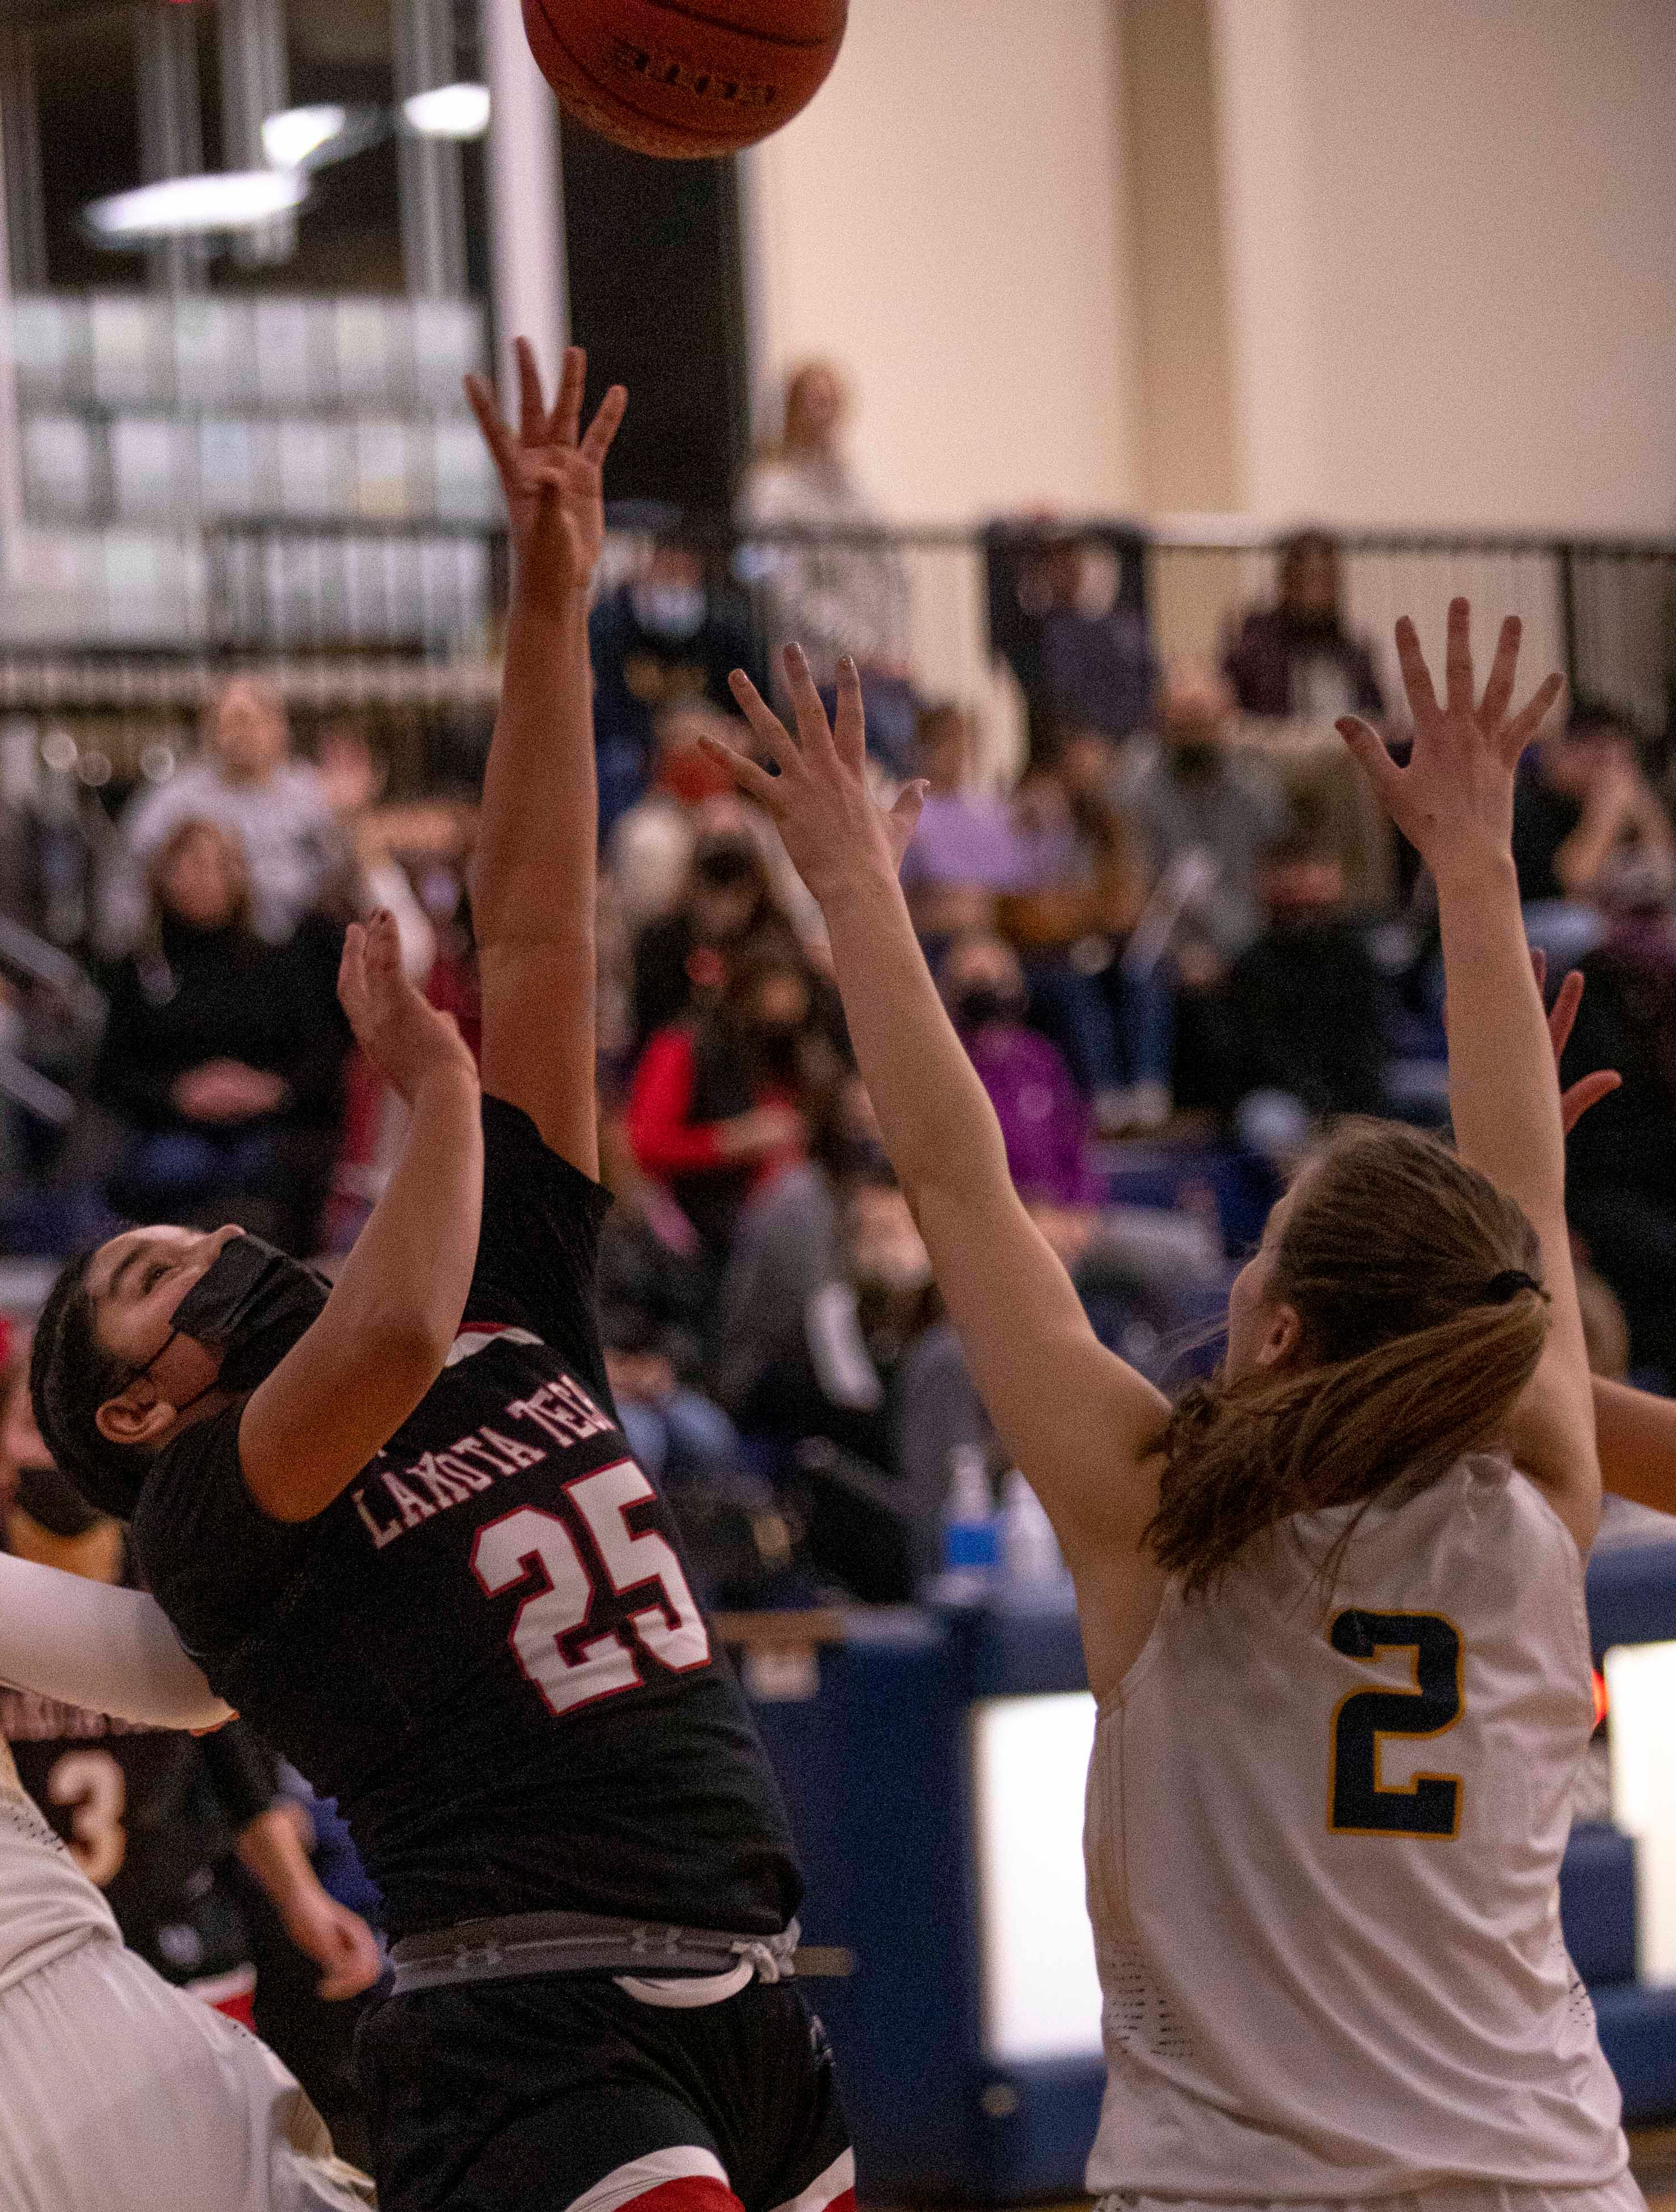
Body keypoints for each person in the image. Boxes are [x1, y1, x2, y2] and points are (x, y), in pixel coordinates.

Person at [29, 343, 851, 2212]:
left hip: (742, 1990)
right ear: (143, 1408)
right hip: (531, 2029)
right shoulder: (213, 1514)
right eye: (156, 1273)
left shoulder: (508, 1313)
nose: (219, 1248)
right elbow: (388, 1320)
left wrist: (548, 595)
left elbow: (547, 934)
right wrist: (428, 1087)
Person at [702, 603, 1637, 2211]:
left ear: (1272, 1329)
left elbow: (951, 1174)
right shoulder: (1541, 1504)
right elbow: (1522, 1201)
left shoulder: (1158, 1508)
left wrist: (855, 884)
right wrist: (1477, 872)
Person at [0, 1544, 370, 2209]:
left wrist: (300, 1895)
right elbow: (196, 1681)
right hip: (58, 1973)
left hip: (155, 1927)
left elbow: (231, 1759)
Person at [91, 818, 353, 1255]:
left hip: (269, 1127)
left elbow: (323, 1060)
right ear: (163, 876)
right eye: (188, 864)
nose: (202, 878)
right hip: (171, 1129)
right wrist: (177, 1092)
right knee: (171, 1166)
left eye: (216, 865)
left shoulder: (277, 965)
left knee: (269, 1169)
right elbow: (112, 1074)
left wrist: (270, 1089)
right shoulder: (140, 972)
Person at [738, 360, 915, 773]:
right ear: (792, 409)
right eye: (814, 402)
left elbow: (892, 574)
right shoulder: (771, 490)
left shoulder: (855, 490)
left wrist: (892, 647)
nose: (824, 414)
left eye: (832, 403)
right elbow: (784, 589)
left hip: (877, 667)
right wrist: (859, 650)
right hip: (815, 669)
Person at [627, 941, 836, 1260]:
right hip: (693, 1236)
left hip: (778, 1233)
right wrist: (731, 1140)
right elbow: (646, 1143)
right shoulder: (686, 1045)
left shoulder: (802, 1055)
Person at [100, 678, 342, 954]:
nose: (240, 733)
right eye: (228, 722)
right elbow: (126, 880)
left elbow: (339, 876)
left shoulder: (313, 794)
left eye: (248, 720)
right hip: (203, 951)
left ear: (278, 727)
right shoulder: (172, 800)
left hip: (299, 955)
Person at [589, 531, 764, 841]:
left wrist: (728, 735)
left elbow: (759, 722)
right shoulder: (609, 627)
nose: (676, 583)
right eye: (667, 571)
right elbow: (604, 717)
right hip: (642, 770)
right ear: (644, 571)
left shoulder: (729, 630)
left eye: (685, 572)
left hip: (720, 773)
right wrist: (663, 734)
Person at [1512, 698, 1676, 969]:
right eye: (1602, 759)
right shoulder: (1525, 799)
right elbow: (1574, 885)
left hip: (1583, 922)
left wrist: (1642, 808)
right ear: (1567, 750)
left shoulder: (1592, 797)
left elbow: (1664, 871)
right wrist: (1605, 814)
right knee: (1587, 927)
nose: (1611, 773)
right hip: (1514, 931)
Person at [1221, 528, 1386, 724]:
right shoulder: (1254, 648)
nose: (1317, 595)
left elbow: (1375, 716)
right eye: (1308, 581)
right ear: (1286, 582)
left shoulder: (1354, 651)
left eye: (1326, 582)